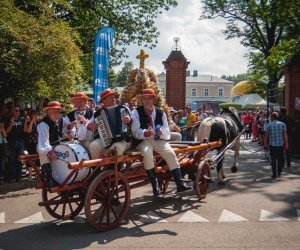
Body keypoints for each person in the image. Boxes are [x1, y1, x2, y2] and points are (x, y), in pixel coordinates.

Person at [131, 89, 191, 196]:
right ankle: (155, 185)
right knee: (147, 153)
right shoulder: (136, 112)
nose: (147, 101)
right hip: (143, 141)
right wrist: (145, 133)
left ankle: (179, 183)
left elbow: (166, 129)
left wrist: (161, 132)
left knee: (170, 153)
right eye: (145, 98)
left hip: (157, 140)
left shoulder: (160, 112)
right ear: (142, 100)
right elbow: (134, 131)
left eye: (149, 98)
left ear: (154, 99)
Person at [88, 88, 131, 159]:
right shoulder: (98, 113)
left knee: (117, 148)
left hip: (122, 140)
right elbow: (89, 125)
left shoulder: (123, 108)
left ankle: (114, 168)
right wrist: (90, 126)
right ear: (103, 100)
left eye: (113, 96)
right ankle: (97, 169)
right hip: (105, 140)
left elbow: (133, 120)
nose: (113, 98)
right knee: (93, 146)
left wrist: (129, 119)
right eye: (110, 97)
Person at [37, 101, 70, 187]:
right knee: (42, 152)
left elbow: (64, 131)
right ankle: (48, 177)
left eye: (58, 112)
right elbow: (43, 143)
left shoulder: (58, 121)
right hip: (43, 146)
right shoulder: (43, 124)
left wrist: (69, 134)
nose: (57, 114)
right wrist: (50, 151)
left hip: (54, 145)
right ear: (48, 112)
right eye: (54, 111)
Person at [4, 104, 25, 183]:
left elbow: (25, 130)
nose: (18, 112)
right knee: (12, 160)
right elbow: (6, 132)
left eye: (19, 110)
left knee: (19, 160)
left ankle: (19, 177)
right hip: (11, 142)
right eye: (16, 110)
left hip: (20, 141)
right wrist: (11, 123)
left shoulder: (21, 120)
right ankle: (12, 177)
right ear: (12, 111)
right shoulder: (8, 119)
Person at [264, 112, 288, 179]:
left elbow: (266, 136)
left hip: (272, 145)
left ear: (272, 117)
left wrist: (265, 144)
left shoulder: (269, 125)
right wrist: (286, 144)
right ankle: (279, 172)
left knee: (273, 160)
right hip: (281, 144)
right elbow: (285, 135)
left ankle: (274, 174)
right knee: (280, 159)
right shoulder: (283, 124)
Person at [23, 110, 39, 181]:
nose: (35, 116)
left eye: (36, 115)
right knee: (30, 159)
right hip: (30, 143)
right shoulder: (29, 122)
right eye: (34, 115)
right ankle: (30, 175)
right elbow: (28, 131)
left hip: (37, 143)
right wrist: (31, 121)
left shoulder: (38, 123)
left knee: (37, 159)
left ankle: (37, 175)